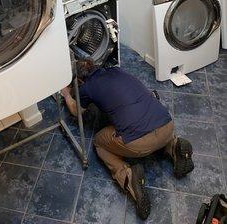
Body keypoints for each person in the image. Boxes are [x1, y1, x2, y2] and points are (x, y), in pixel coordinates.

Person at [61, 59, 194, 220]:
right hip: (167, 125)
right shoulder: (116, 71)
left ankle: (129, 176)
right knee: (143, 117)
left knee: (99, 142)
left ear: (80, 80)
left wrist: (67, 94)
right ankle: (174, 146)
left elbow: (76, 111)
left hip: (140, 143)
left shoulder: (86, 88)